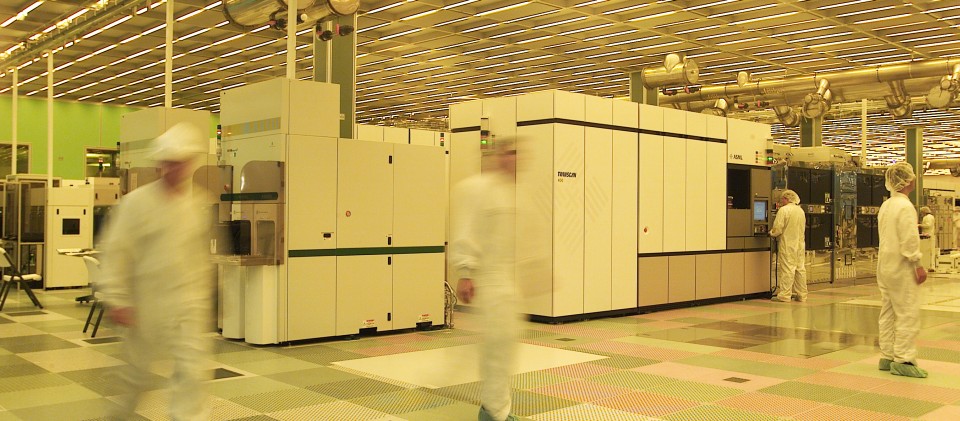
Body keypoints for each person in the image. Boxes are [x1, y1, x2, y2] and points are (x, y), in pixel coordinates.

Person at [98, 122, 214, 419]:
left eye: (180, 163)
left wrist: (204, 299)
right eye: (169, 163)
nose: (174, 169)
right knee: (135, 375)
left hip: (187, 303)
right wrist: (117, 298)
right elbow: (116, 251)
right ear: (160, 164)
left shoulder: (197, 203)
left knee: (192, 371)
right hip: (145, 303)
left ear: (191, 163)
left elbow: (198, 258)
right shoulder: (136, 203)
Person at [450, 138, 521, 421]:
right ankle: (494, 413)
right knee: (495, 349)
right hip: (489, 281)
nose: (514, 160)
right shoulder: (475, 189)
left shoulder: (508, 193)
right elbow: (465, 232)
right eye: (509, 153)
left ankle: (499, 409)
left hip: (506, 282)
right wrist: (465, 273)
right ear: (496, 155)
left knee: (504, 347)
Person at [877, 161, 928, 378]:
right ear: (907, 181)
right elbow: (909, 239)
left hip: (884, 265)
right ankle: (904, 359)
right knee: (907, 312)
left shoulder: (886, 205)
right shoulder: (905, 207)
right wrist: (917, 264)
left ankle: (887, 355)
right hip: (901, 265)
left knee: (887, 311)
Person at [769, 189, 807, 303]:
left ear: (786, 199)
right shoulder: (800, 211)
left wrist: (771, 233)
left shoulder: (784, 210)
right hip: (800, 245)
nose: (781, 202)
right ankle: (802, 295)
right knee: (800, 269)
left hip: (788, 244)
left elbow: (778, 228)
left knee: (787, 269)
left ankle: (784, 295)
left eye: (782, 199)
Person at [918, 206, 937, 271]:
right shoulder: (929, 217)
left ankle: (931, 266)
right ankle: (930, 266)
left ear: (924, 211)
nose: (921, 214)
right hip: (928, 235)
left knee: (929, 252)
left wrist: (920, 225)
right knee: (929, 252)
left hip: (929, 236)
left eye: (921, 212)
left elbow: (928, 225)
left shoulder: (928, 217)